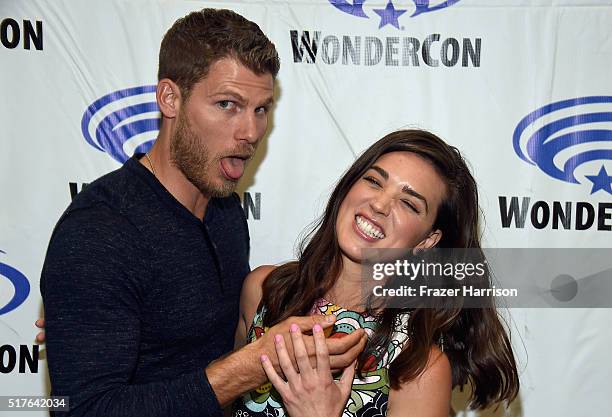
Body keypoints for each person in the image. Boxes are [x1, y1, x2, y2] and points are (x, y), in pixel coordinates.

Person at [39, 8, 365, 417]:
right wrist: (248, 367)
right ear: (169, 98)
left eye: (261, 109)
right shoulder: (99, 230)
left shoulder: (225, 209)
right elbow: (82, 410)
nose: (249, 132)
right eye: (228, 104)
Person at [231, 130, 520, 417]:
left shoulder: (418, 369)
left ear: (427, 242)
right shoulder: (263, 291)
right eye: (373, 181)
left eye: (409, 203)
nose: (379, 205)